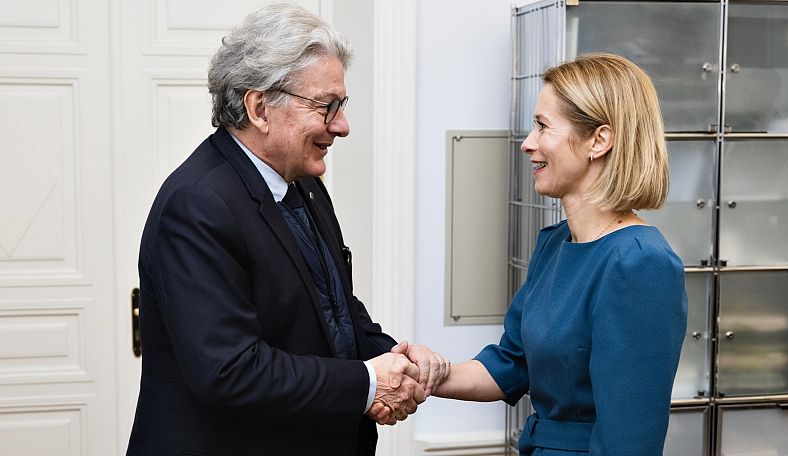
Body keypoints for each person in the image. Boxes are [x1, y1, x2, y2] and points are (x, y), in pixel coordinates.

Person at [126, 3, 448, 455]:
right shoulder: (197, 204)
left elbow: (334, 307)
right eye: (326, 106)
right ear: (259, 107)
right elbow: (231, 371)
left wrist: (397, 358)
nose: (342, 126)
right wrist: (369, 382)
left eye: (342, 104)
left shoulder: (306, 184)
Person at [434, 53, 688, 455]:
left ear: (598, 141)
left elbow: (630, 440)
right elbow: (509, 366)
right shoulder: (555, 243)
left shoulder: (640, 262)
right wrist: (426, 375)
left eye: (542, 126)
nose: (527, 143)